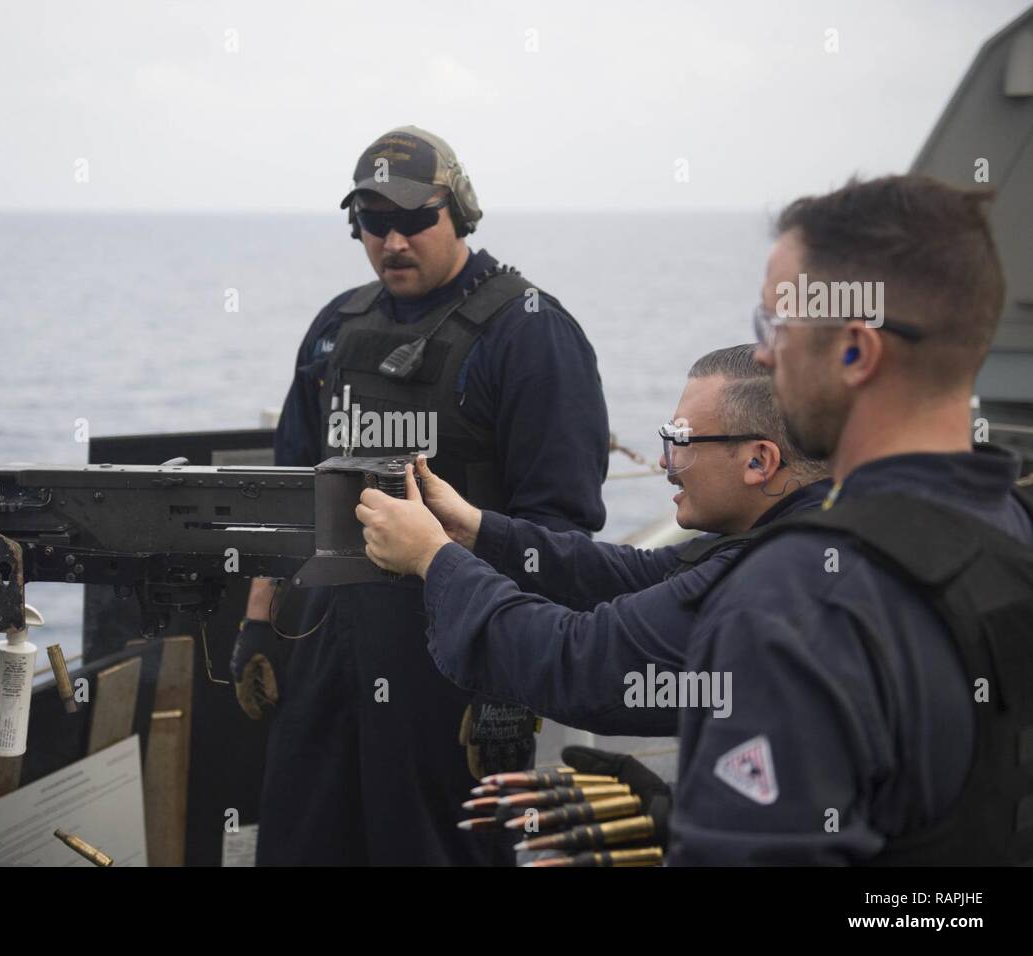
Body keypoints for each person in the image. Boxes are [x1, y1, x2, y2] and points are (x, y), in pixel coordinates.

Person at [233, 125, 610, 865]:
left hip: (455, 664)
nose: (393, 241)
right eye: (374, 223)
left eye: (413, 220)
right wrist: (257, 623)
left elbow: (560, 532)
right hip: (325, 649)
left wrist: (510, 684)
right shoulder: (335, 330)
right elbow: (286, 493)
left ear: (459, 213)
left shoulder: (529, 335)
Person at [670, 175, 1033, 864]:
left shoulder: (796, 603)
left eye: (776, 324)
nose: (762, 353)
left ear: (855, 351)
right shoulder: (1015, 530)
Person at [356, 343, 829, 736]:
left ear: (758, 461)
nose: (665, 462)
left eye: (680, 441)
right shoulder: (809, 529)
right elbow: (636, 574)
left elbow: (577, 664)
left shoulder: (767, 582)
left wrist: (432, 558)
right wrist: (475, 530)